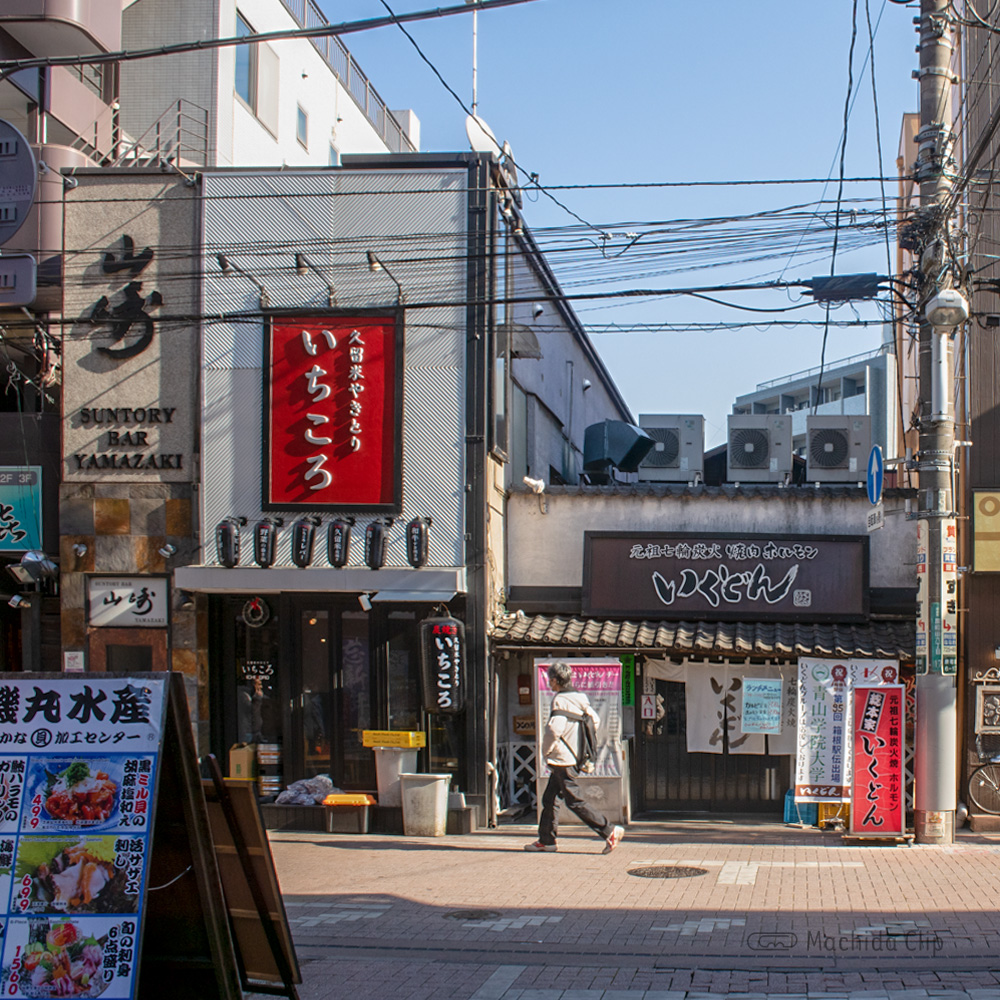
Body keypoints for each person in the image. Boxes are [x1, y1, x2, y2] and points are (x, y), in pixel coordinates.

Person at [524, 660, 624, 854]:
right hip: (573, 757)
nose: (549, 684)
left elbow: (554, 729)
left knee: (574, 801)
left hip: (562, 759)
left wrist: (546, 751)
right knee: (550, 799)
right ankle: (546, 840)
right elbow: (594, 720)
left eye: (550, 680)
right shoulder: (580, 697)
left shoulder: (560, 699)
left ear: (554, 680)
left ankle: (608, 830)